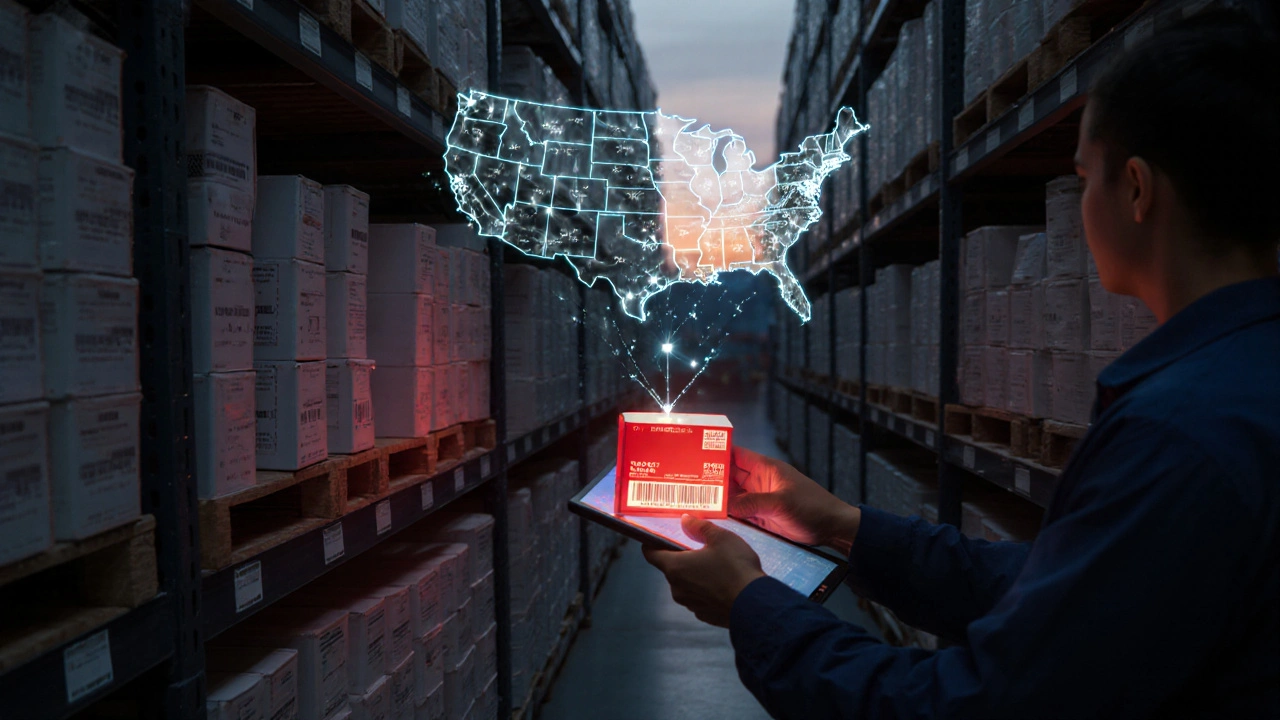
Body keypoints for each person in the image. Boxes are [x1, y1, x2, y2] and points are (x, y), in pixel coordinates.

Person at [644, 9, 1280, 718]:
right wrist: (839, 522)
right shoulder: (1238, 384)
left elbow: (979, 706)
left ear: (1135, 190)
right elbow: (1079, 584)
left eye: (1083, 178)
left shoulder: (1180, 434)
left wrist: (750, 605)